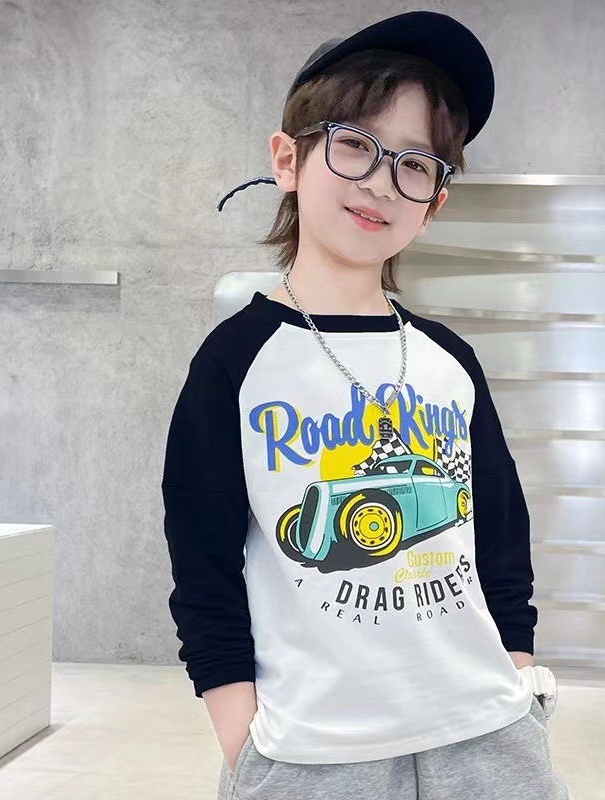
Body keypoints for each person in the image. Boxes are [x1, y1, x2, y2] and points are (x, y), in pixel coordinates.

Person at [162, 11, 569, 800]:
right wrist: (242, 740)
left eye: (416, 164)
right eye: (355, 145)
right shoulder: (234, 362)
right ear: (288, 159)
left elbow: (499, 535)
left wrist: (518, 674)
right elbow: (202, 563)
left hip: (487, 731)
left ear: (434, 203)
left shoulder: (450, 359)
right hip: (313, 752)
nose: (382, 181)